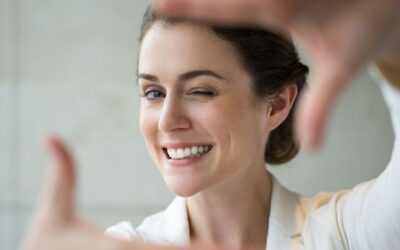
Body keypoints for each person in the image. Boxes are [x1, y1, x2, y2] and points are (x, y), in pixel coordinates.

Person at [19, 1, 400, 250]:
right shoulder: (125, 243)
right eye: (152, 92)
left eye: (200, 90)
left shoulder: (344, 231)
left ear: (277, 104)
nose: (167, 121)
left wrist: (392, 41)